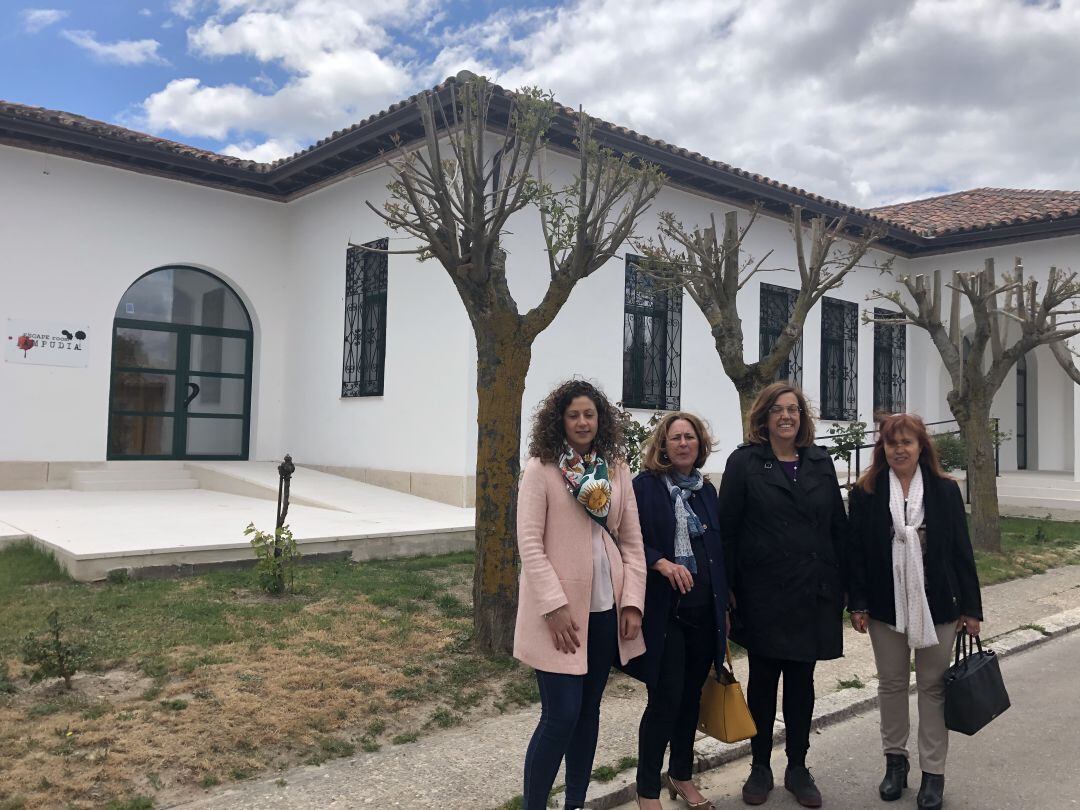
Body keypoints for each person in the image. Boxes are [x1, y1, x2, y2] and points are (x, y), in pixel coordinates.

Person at [514, 379, 647, 810]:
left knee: (589, 715)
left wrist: (633, 603)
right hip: (560, 614)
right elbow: (530, 544)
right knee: (561, 717)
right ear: (560, 420)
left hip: (606, 610)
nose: (583, 421)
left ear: (600, 418)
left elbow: (632, 541)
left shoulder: (616, 467)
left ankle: (574, 804)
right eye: (574, 415)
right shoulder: (542, 469)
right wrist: (552, 606)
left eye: (590, 414)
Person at [717, 382, 847, 808]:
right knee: (764, 681)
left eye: (793, 409)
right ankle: (759, 766)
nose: (786, 416)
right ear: (764, 417)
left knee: (801, 683)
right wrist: (728, 589)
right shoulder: (745, 463)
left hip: (811, 591)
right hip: (762, 593)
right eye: (777, 410)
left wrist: (845, 584)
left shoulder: (820, 462)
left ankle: (797, 765)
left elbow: (836, 528)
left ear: (802, 417)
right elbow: (728, 532)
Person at [847, 413, 983, 810]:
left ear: (922, 446)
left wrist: (971, 608)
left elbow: (962, 551)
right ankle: (895, 763)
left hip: (937, 604)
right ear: (883, 448)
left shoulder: (944, 491)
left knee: (933, 687)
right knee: (891, 685)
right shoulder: (867, 491)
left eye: (907, 442)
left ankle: (933, 774)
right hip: (885, 606)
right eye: (892, 443)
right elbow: (854, 553)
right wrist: (857, 602)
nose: (900, 449)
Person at [623, 412, 729, 810]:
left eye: (690, 437)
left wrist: (725, 604)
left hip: (705, 613)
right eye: (675, 438)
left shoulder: (707, 491)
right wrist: (660, 562)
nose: (683, 443)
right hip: (665, 615)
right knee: (665, 700)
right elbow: (624, 539)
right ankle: (647, 789)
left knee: (691, 700)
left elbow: (717, 553)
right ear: (663, 446)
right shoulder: (645, 487)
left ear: (700, 445)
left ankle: (681, 775)